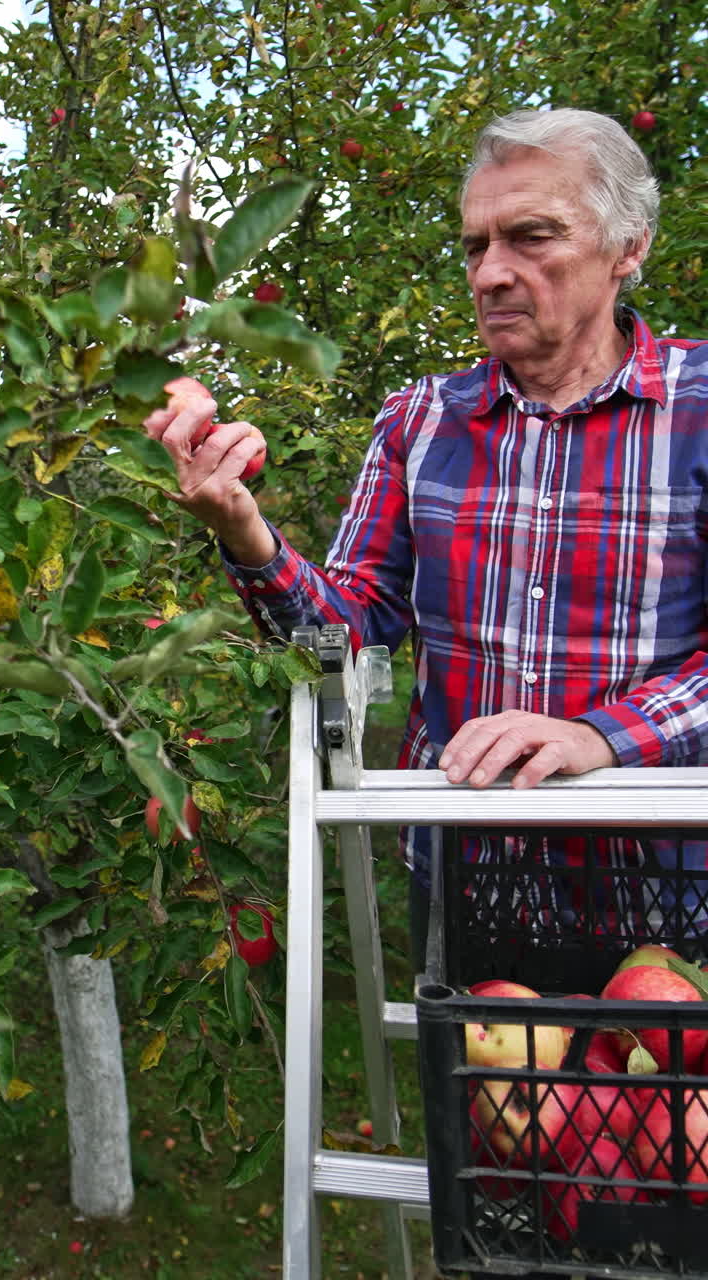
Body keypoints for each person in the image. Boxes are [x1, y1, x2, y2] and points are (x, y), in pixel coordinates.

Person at [144, 107, 708, 1272]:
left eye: (531, 236)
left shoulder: (701, 413)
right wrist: (245, 531)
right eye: (473, 244)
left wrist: (602, 735)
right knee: (501, 1192)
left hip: (672, 887)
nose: (492, 272)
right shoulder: (421, 421)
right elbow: (343, 629)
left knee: (666, 1196)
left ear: (628, 246)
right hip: (474, 879)